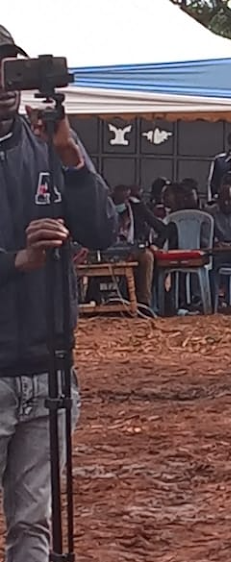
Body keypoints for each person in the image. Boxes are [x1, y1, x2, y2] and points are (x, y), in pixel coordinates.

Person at [0, 26, 116, 562]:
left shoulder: (48, 144)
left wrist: (70, 155)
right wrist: (15, 262)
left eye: (11, 68)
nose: (3, 82)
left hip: (49, 368)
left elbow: (102, 231)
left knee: (34, 525)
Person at [111, 184, 167, 306]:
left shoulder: (138, 208)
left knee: (147, 257)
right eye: (117, 201)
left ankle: (143, 303)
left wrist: (155, 245)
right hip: (110, 250)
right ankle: (95, 300)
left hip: (135, 249)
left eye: (123, 201)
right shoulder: (105, 209)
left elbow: (163, 229)